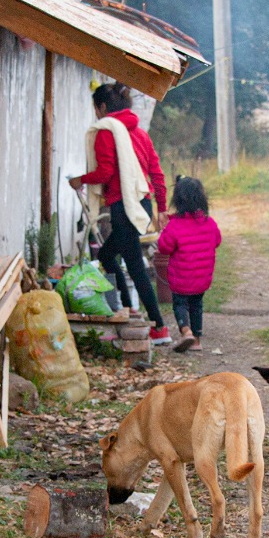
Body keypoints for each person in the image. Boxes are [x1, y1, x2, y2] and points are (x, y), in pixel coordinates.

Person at [69, 82, 171, 343]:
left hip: (124, 206)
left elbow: (105, 172)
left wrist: (80, 180)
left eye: (95, 108)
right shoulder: (140, 133)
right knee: (107, 254)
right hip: (142, 204)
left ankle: (159, 327)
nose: (96, 114)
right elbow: (156, 173)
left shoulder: (106, 132)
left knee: (135, 265)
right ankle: (128, 306)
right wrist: (160, 208)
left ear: (102, 107)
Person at [155, 177, 220, 352]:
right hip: (201, 279)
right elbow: (217, 241)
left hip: (181, 279)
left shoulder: (175, 226)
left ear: (177, 200)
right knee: (197, 306)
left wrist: (163, 231)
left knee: (180, 304)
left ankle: (186, 331)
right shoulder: (209, 222)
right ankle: (197, 341)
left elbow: (164, 247)